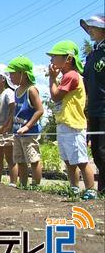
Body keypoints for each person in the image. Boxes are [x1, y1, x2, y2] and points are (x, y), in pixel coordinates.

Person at [48, 40, 96, 200]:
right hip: (65, 122)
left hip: (73, 124)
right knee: (69, 160)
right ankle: (74, 187)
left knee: (81, 159)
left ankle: (90, 189)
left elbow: (55, 97)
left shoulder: (71, 76)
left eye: (55, 56)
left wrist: (52, 79)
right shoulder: (67, 76)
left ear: (68, 59)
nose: (52, 60)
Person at [5, 56, 44, 187]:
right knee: (20, 159)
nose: (10, 77)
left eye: (13, 73)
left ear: (23, 74)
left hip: (29, 132)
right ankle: (23, 184)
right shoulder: (16, 91)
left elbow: (39, 110)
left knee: (33, 158)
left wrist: (27, 126)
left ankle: (36, 185)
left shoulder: (31, 90)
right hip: (17, 132)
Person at [80, 13, 105, 194]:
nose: (90, 30)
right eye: (88, 27)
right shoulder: (92, 55)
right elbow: (86, 82)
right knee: (96, 152)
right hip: (93, 110)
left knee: (103, 151)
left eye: (93, 27)